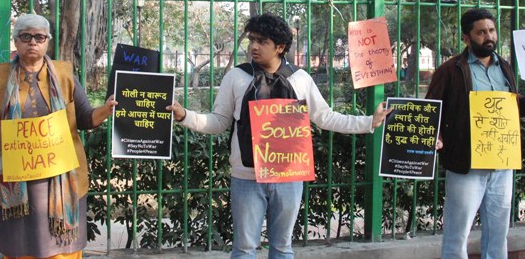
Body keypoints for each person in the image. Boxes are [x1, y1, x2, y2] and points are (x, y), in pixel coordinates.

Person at [166, 13, 390, 259]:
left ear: (280, 47)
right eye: (251, 39)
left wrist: (370, 122)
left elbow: (325, 117)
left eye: (262, 41)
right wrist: (183, 115)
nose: (253, 46)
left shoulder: (300, 79)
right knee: (243, 250)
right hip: (246, 178)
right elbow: (218, 122)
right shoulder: (236, 77)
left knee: (283, 249)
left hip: (289, 176)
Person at [0, 14, 117, 259]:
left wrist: (105, 111)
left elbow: (85, 118)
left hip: (60, 181)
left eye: (39, 37)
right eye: (26, 36)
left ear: (47, 42)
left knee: (61, 250)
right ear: (16, 42)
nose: (32, 42)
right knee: (20, 248)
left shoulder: (65, 74)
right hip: (14, 181)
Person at [425, 8, 525, 259]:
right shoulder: (451, 70)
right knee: (457, 235)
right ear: (466, 38)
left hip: (501, 165)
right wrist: (436, 135)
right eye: (481, 32)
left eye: (492, 30)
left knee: (498, 235)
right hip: (466, 164)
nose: (489, 36)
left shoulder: (504, 67)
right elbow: (432, 110)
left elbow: (511, 107)